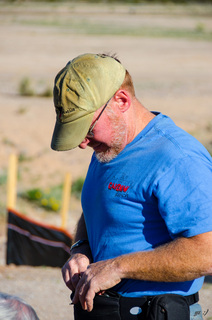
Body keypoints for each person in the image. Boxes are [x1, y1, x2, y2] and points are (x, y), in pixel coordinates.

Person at [51, 53, 212, 320]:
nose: (82, 143)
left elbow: (207, 251)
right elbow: (101, 209)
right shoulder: (109, 148)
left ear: (121, 101)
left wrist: (117, 267)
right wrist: (81, 248)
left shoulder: (177, 158)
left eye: (86, 129)